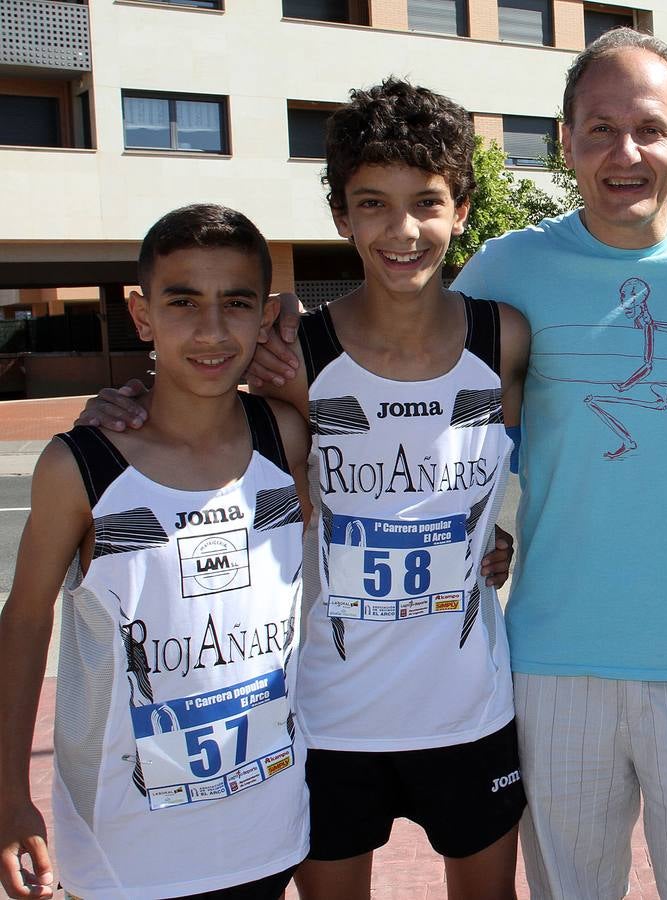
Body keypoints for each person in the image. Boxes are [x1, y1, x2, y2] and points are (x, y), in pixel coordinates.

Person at [83, 31, 667, 900]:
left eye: (650, 130)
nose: (626, 153)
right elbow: (394, 326)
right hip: (545, 666)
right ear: (565, 143)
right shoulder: (503, 274)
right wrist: (214, 357)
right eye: (601, 130)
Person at [75, 81, 527, 899]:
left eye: (426, 202)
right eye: (373, 205)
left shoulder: (503, 339)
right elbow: (196, 405)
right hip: (323, 716)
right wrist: (120, 400)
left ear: (462, 208)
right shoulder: (290, 352)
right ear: (339, 216)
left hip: (470, 711)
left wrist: (494, 538)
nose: (402, 230)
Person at [0, 204, 311, 899]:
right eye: (183, 302)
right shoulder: (80, 466)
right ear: (142, 316)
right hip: (125, 855)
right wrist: (8, 793)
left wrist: (489, 543)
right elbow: (23, 622)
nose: (210, 329)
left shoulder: (284, 438)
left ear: (263, 318)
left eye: (235, 304)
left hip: (269, 831)